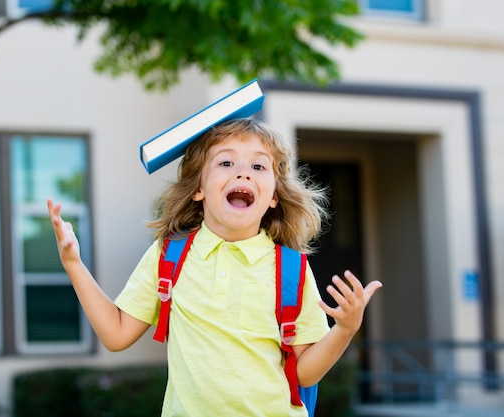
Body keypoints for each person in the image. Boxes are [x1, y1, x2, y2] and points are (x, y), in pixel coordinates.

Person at [48, 118, 382, 417]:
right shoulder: (168, 256)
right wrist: (73, 263)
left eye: (259, 166)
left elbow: (305, 374)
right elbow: (116, 334)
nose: (243, 172)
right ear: (198, 190)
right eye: (226, 162)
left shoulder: (290, 269)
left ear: (274, 197)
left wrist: (345, 329)